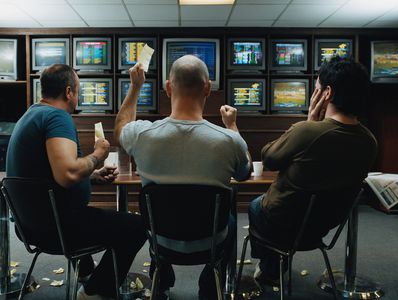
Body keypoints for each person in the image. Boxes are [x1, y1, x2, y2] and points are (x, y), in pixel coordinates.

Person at [114, 55, 251, 300]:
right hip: (210, 242)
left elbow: (120, 129)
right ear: (208, 88)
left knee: (159, 218)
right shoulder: (230, 141)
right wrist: (232, 126)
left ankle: (162, 280)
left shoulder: (141, 134)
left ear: (168, 88)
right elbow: (244, 173)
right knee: (229, 219)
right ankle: (210, 286)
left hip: (161, 239)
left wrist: (135, 88)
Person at [6, 64, 147, 300]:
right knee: (136, 227)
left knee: (82, 211)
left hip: (29, 228)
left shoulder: (30, 114)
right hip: (58, 230)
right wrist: (97, 156)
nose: (78, 97)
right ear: (68, 92)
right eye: (78, 91)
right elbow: (67, 175)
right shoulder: (56, 116)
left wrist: (92, 175)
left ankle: (85, 276)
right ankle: (94, 292)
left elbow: (47, 175)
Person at [248, 57, 378, 285]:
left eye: (316, 88)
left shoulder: (307, 132)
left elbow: (269, 158)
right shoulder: (370, 141)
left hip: (282, 224)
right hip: (320, 230)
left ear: (327, 94)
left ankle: (271, 267)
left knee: (255, 205)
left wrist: (308, 122)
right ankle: (275, 263)